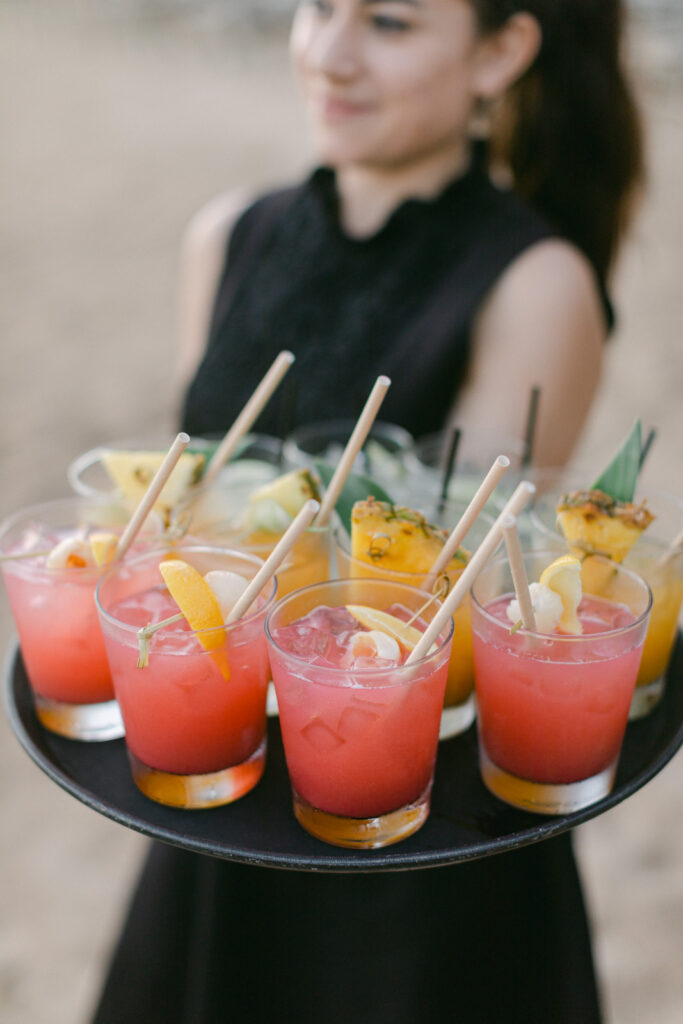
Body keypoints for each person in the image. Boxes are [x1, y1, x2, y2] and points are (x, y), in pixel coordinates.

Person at [93, 2, 644, 1022]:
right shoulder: (226, 235)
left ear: (500, 53)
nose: (328, 54)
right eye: (316, 7)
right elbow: (185, 508)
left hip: (416, 843)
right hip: (228, 801)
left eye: (387, 22)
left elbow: (476, 590)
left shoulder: (535, 283)